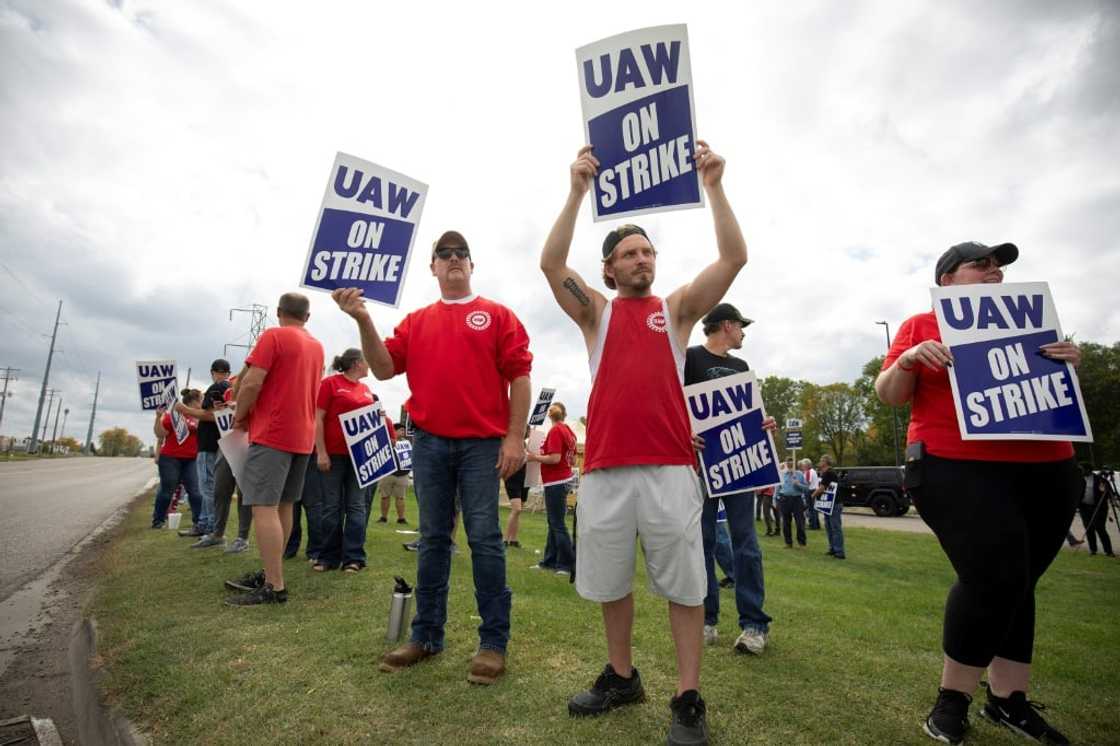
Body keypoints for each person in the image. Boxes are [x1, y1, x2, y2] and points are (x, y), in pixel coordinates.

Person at [540, 141, 747, 746]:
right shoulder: (595, 313)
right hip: (604, 468)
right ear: (608, 268)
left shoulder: (677, 310)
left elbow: (734, 257)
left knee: (685, 585)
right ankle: (623, 677)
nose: (641, 260)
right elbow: (552, 266)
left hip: (669, 468)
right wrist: (577, 190)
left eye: (647, 252)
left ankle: (687, 697)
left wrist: (714, 185)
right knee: (610, 582)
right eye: (629, 253)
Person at [876, 241, 1082, 745]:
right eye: (982, 263)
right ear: (947, 278)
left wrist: (1069, 361)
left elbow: (1053, 393)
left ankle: (1009, 701)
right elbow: (888, 395)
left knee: (1018, 582)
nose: (996, 271)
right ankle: (953, 700)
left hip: (1049, 467)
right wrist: (907, 360)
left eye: (1001, 266)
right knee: (994, 574)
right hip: (957, 466)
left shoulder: (1029, 320)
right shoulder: (920, 324)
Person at [333, 228, 532, 685]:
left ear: (472, 265)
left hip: (483, 445)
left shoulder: (498, 315)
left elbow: (519, 377)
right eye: (445, 254)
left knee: (484, 538)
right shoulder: (417, 321)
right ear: (434, 267)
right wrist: (362, 318)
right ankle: (426, 635)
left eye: (462, 252)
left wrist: (514, 437)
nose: (454, 258)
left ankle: (493, 642)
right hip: (429, 444)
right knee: (433, 539)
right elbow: (384, 368)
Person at [223, 292, 324, 606]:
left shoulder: (274, 336)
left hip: (273, 432)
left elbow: (252, 383)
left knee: (262, 507)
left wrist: (239, 416)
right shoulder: (317, 346)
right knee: (285, 506)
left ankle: (274, 586)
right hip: (302, 436)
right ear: (307, 317)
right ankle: (271, 572)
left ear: (279, 312)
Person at [684, 302, 773, 656]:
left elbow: (751, 410)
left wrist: (763, 424)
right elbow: (672, 400)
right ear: (725, 326)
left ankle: (754, 625)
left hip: (741, 465)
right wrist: (683, 431)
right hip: (703, 466)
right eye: (740, 326)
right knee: (702, 543)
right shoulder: (690, 358)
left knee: (746, 544)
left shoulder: (741, 367)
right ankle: (706, 620)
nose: (743, 333)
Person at [312, 348, 380, 572]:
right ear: (357, 363)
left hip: (360, 458)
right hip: (334, 455)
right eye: (366, 362)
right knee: (331, 506)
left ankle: (353, 557)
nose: (369, 365)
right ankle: (328, 556)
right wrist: (321, 451)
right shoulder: (330, 384)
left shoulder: (367, 390)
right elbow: (318, 418)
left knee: (356, 506)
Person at [528, 402, 577, 575]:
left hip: (555, 481)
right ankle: (549, 561)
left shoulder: (556, 431)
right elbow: (572, 460)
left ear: (550, 416)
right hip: (563, 479)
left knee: (557, 524)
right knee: (554, 522)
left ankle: (567, 564)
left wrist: (534, 457)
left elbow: (555, 458)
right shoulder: (569, 431)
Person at [192, 360, 232, 542]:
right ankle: (204, 523)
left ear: (212, 372)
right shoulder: (229, 387)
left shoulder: (217, 387)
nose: (220, 375)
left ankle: (209, 525)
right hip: (218, 443)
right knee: (209, 486)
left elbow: (210, 415)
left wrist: (185, 410)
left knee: (207, 486)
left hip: (209, 444)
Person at [151, 389, 202, 529]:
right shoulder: (173, 415)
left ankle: (199, 522)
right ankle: (158, 521)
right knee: (167, 491)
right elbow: (160, 434)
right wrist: (158, 418)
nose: (202, 402)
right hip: (170, 458)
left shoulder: (199, 416)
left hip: (192, 459)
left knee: (195, 491)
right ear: (194, 402)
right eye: (201, 399)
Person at [503, 425, 532, 548]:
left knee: (519, 511)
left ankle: (513, 539)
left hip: (524, 480)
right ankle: (505, 539)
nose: (529, 432)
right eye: (528, 430)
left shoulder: (526, 445)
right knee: (516, 509)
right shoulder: (512, 444)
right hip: (512, 479)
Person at [377, 423, 411, 524]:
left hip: (402, 474)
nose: (403, 432)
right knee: (384, 496)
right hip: (387, 473)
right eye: (401, 430)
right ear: (394, 430)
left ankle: (401, 518)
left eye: (404, 430)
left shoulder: (406, 442)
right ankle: (383, 517)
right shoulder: (385, 440)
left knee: (401, 497)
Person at [812, 455, 844, 559]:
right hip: (828, 504)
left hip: (834, 504)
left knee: (835, 527)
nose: (819, 462)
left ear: (825, 462)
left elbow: (822, 488)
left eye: (821, 460)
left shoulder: (829, 473)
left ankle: (839, 551)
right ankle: (832, 548)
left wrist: (812, 495)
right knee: (829, 527)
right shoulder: (825, 473)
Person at [1079, 467, 1114, 557]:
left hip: (1099, 508)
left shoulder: (1100, 480)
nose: (1081, 472)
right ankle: (1093, 550)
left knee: (1100, 528)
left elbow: (1109, 493)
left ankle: (1108, 551)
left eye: (1083, 470)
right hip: (1084, 508)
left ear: (1088, 470)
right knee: (1089, 529)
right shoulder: (1079, 479)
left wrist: (1104, 490)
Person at [776, 460, 810, 548]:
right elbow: (778, 488)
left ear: (794, 465)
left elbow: (806, 488)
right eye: (788, 463)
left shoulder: (799, 474)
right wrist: (775, 499)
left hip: (797, 500)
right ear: (786, 464)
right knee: (786, 522)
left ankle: (802, 542)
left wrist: (798, 484)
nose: (790, 465)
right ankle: (788, 543)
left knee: (800, 522)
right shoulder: (782, 474)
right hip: (784, 499)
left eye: (792, 463)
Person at [800, 458, 821, 530]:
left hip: (810, 491)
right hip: (814, 489)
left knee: (811, 509)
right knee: (814, 509)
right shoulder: (813, 471)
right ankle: (816, 525)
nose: (802, 466)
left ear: (807, 465)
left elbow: (807, 483)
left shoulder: (808, 472)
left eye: (803, 465)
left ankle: (812, 525)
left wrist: (799, 484)